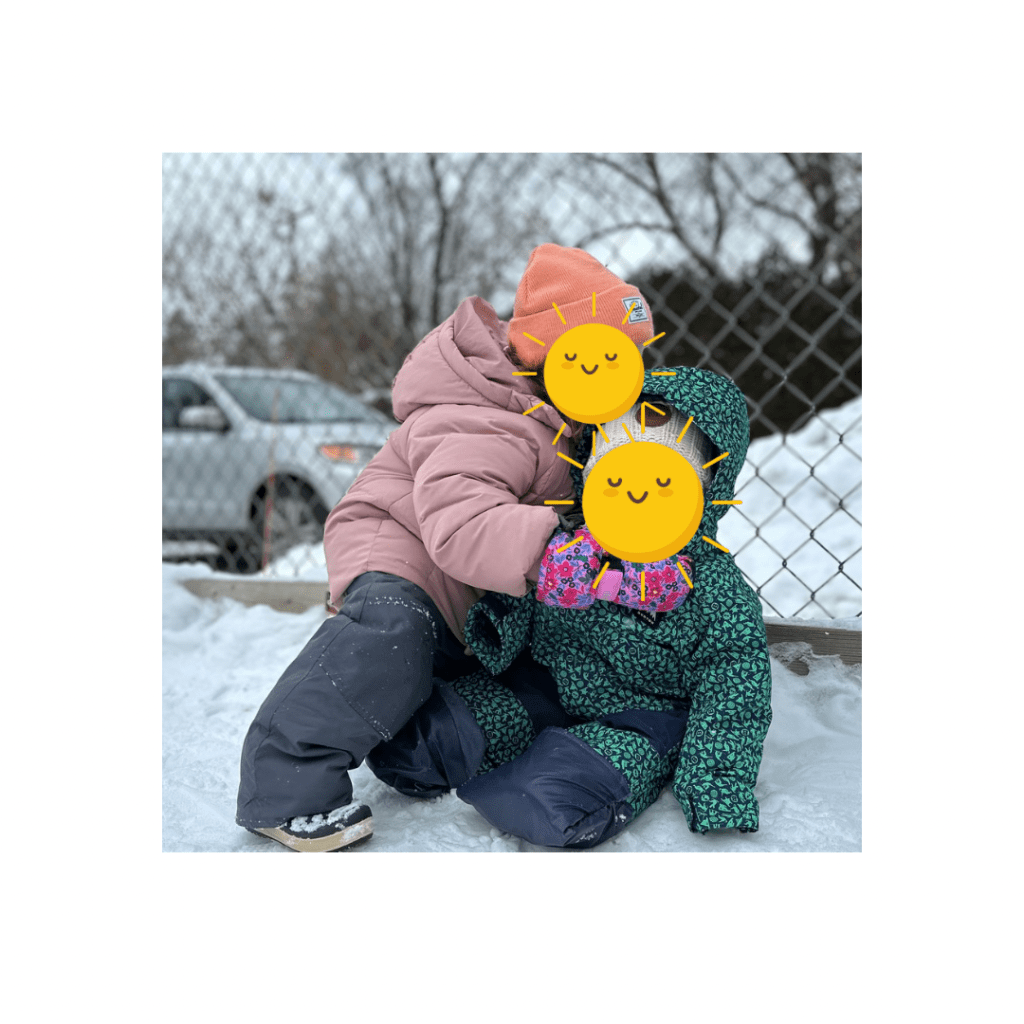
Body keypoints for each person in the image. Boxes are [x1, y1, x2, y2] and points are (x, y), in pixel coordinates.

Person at [235, 243, 657, 851]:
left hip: (472, 580)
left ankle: (419, 733)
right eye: (609, 359)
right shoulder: (485, 418)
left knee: (459, 667)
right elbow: (462, 523)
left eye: (633, 362)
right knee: (393, 636)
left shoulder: (568, 424)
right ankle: (285, 785)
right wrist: (557, 550)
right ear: (558, 356)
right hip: (401, 547)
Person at [366, 368, 773, 848]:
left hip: (644, 714)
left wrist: (716, 784)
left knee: (553, 792)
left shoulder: (709, 585)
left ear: (706, 486)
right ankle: (470, 746)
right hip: (549, 686)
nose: (636, 495)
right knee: (425, 740)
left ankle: (564, 776)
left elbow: (735, 685)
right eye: (615, 476)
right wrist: (508, 612)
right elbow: (519, 613)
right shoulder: (568, 548)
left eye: (663, 479)